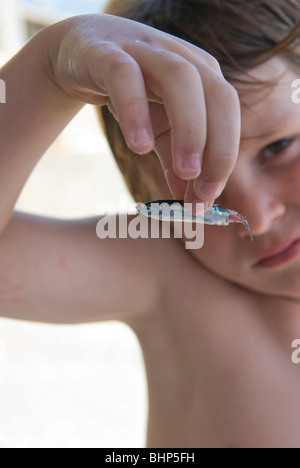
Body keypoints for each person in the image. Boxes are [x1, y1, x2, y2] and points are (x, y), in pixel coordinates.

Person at [1, 0, 300, 448]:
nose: (256, 217)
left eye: (278, 148)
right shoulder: (169, 274)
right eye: (193, 198)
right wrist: (45, 71)